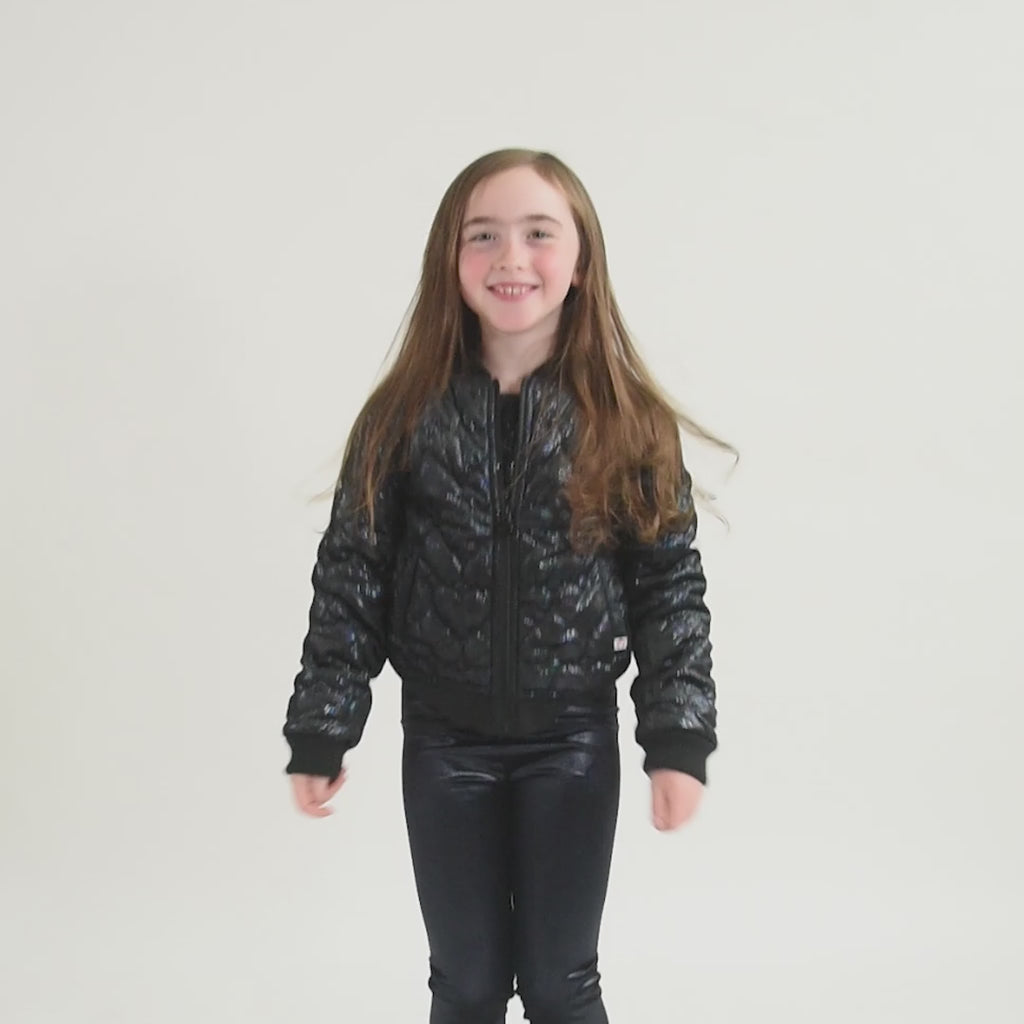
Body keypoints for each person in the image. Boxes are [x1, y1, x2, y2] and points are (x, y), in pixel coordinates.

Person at [282, 148, 737, 1024]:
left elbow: (669, 588)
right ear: (449, 261)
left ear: (581, 262)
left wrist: (677, 737)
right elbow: (352, 576)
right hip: (444, 745)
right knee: (466, 983)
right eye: (482, 236)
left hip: (572, 744)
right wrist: (322, 725)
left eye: (538, 234)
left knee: (563, 981)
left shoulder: (627, 421)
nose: (511, 259)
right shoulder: (401, 416)